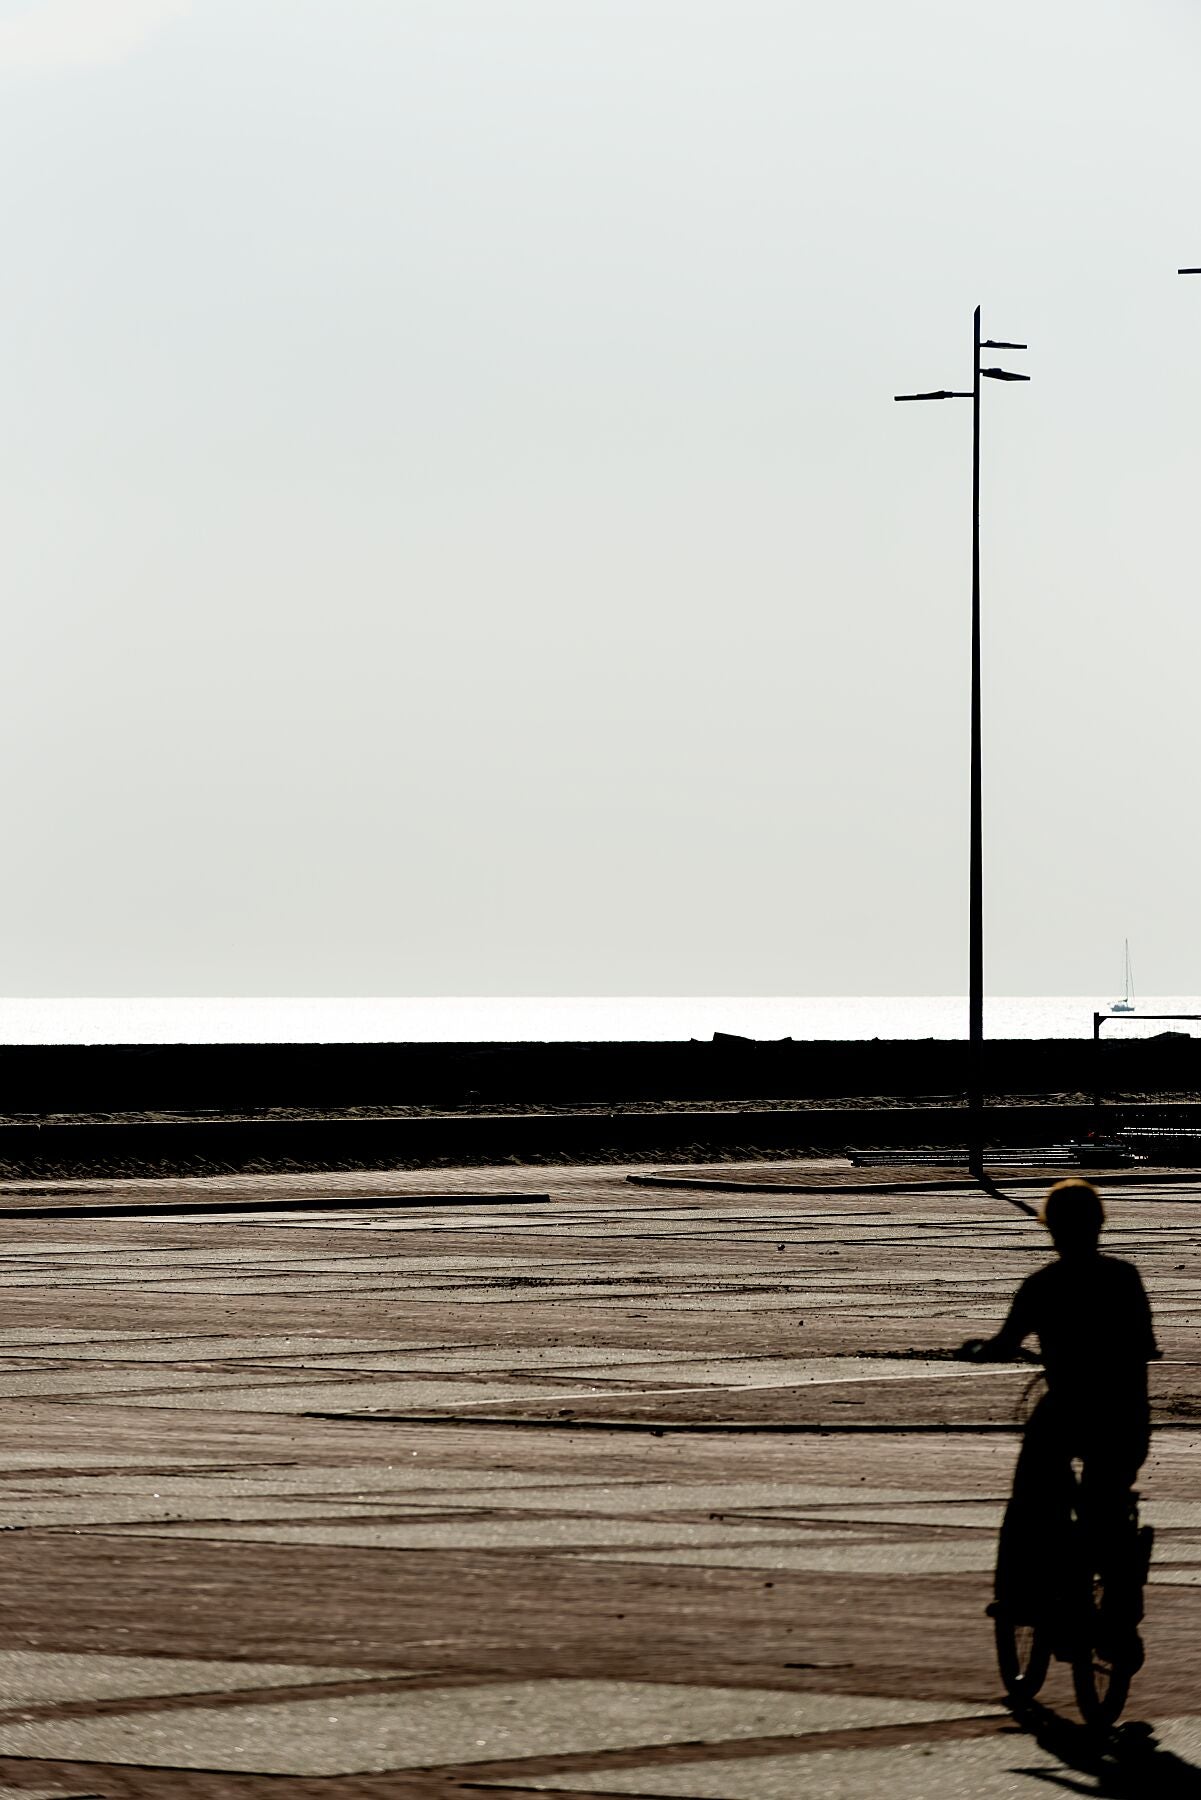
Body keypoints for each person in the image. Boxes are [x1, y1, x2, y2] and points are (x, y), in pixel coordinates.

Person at [957, 1178, 1159, 1661]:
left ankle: (1027, 1592)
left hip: (1068, 1407)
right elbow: (1144, 1345)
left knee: (1032, 1489)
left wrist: (983, 1352)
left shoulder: (1043, 1284)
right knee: (1107, 1502)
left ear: (1051, 1230)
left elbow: (1006, 1342)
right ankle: (1119, 1613)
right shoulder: (1124, 1277)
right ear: (1099, 1226)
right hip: (1124, 1410)